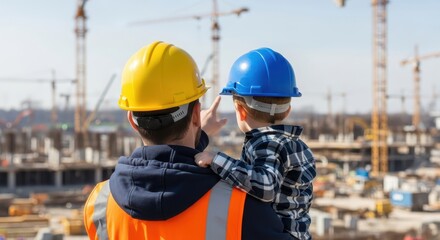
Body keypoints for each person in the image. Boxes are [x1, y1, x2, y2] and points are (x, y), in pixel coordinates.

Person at [83, 41, 293, 240]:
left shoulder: (99, 204)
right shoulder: (242, 207)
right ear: (195, 115)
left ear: (132, 121)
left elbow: (166, 164)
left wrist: (199, 134)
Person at [195, 47, 316, 240]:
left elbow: (265, 187)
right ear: (287, 111)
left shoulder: (267, 143)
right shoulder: (295, 144)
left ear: (240, 110)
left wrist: (216, 159)